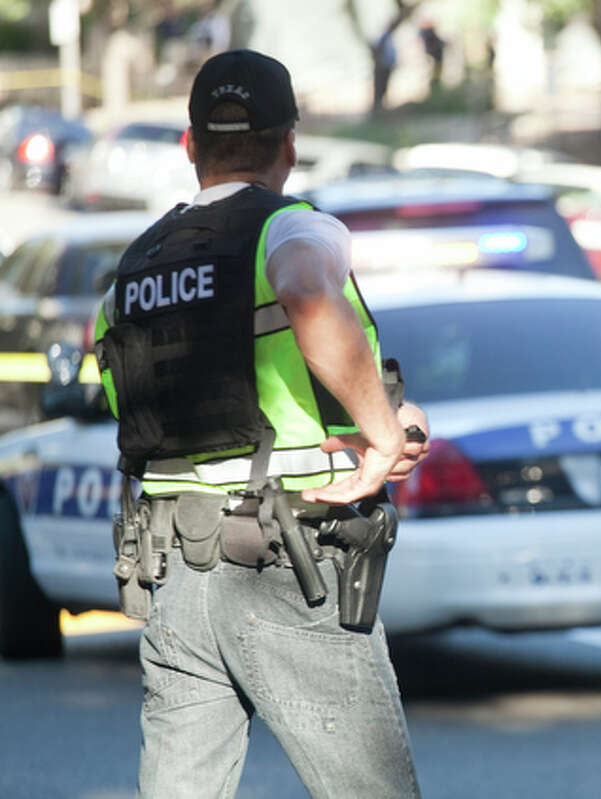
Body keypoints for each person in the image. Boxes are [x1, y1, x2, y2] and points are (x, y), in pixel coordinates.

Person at [91, 50, 429, 798]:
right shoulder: (287, 229)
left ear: (190, 146)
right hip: (286, 564)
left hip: (175, 570)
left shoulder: (134, 269)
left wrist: (379, 413)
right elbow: (309, 295)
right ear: (289, 145)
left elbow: (153, 412)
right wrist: (382, 435)